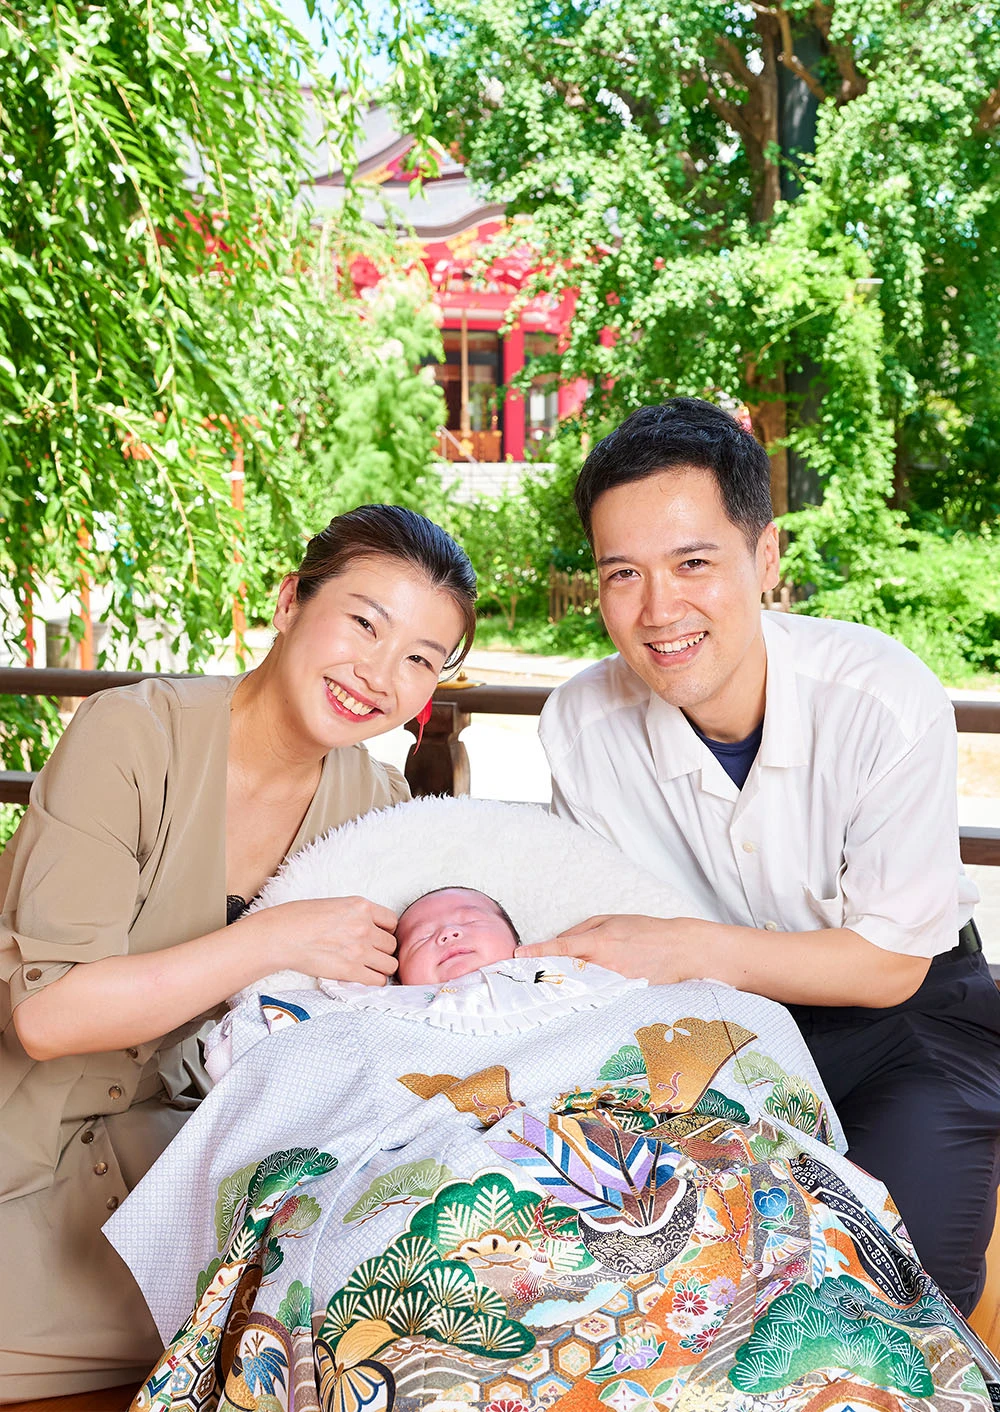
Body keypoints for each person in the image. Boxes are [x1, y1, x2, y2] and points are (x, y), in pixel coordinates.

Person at [531, 397, 1000, 1315]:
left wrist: (689, 946)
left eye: (693, 562)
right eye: (622, 573)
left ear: (766, 557)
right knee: (644, 1276)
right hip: (706, 1029)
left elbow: (891, 963)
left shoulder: (882, 696)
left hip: (908, 1016)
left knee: (900, 1298)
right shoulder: (579, 722)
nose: (659, 609)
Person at [0, 503, 476, 1402]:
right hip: (15, 1129)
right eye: (364, 623)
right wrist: (268, 938)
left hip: (172, 1162)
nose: (379, 673)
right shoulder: (130, 735)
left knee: (370, 1332)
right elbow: (48, 1016)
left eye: (419, 658)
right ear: (292, 600)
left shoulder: (374, 810)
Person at [394, 886, 520, 984]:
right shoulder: (387, 1004)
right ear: (397, 982)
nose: (447, 932)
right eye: (423, 937)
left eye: (471, 920)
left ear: (519, 947)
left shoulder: (537, 977)